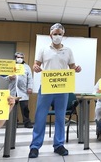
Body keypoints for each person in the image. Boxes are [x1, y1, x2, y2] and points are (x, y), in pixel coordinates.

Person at [28, 23, 82, 158]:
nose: (57, 36)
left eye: (60, 34)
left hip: (63, 88)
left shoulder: (68, 51)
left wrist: (77, 68)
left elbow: (72, 66)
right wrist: (35, 67)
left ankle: (58, 145)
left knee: (60, 117)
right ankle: (35, 146)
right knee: (40, 117)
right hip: (46, 87)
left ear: (63, 35)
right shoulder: (43, 49)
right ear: (50, 35)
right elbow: (36, 64)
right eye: (55, 33)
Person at [3, 52, 33, 128]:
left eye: (21, 57)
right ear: (15, 57)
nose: (19, 59)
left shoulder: (27, 67)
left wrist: (30, 87)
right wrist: (9, 77)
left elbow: (30, 78)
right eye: (18, 57)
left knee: (25, 108)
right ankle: (13, 122)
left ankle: (27, 122)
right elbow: (4, 76)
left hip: (23, 91)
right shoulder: (11, 66)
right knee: (12, 107)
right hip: (13, 90)